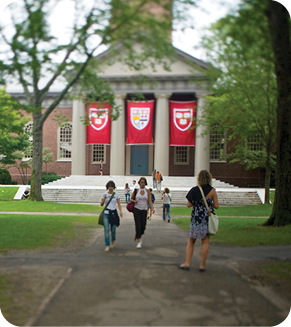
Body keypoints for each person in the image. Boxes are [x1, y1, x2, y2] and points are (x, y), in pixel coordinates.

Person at [179, 170, 219, 272]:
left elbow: (188, 204)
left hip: (196, 218)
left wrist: (196, 204)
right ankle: (202, 265)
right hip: (206, 218)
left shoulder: (194, 190)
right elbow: (216, 206)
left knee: (191, 241)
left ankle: (187, 263)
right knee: (205, 242)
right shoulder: (212, 191)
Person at [130, 177, 155, 249]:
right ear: (139, 183)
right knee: (138, 225)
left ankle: (138, 234)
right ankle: (138, 241)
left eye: (144, 182)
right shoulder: (136, 190)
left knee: (143, 225)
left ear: (145, 183)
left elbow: (150, 200)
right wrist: (134, 201)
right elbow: (131, 199)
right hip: (137, 209)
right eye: (141, 182)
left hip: (144, 210)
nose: (142, 183)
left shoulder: (147, 191)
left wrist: (152, 208)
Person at [100, 180, 123, 252]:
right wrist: (104, 199)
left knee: (113, 230)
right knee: (106, 230)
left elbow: (119, 204)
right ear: (107, 187)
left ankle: (113, 240)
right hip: (106, 213)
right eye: (109, 186)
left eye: (112, 186)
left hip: (113, 213)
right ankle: (107, 245)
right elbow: (101, 204)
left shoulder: (116, 195)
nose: (110, 188)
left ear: (113, 187)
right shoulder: (104, 194)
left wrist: (120, 211)